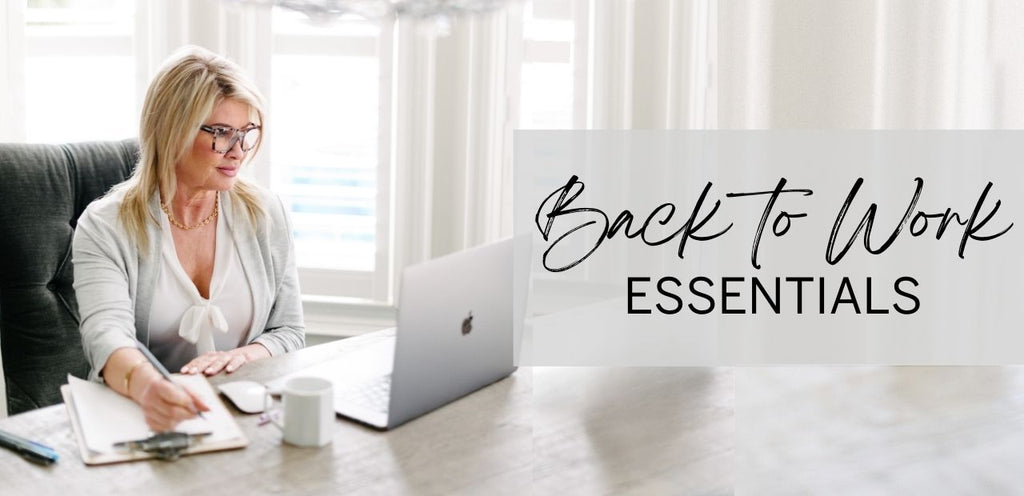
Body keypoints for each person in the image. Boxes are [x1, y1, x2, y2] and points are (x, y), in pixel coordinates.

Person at [73, 46, 304, 431]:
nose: (238, 152)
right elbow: (105, 337)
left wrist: (242, 358)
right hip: (146, 417)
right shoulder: (105, 226)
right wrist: (150, 389)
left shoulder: (265, 213)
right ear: (171, 131)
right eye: (220, 134)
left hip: (245, 417)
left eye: (247, 133)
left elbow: (290, 331)